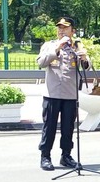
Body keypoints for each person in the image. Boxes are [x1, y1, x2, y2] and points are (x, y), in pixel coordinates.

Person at [37, 17, 89, 171]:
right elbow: (41, 63)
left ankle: (66, 156)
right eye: (59, 27)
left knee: (68, 128)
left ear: (73, 31)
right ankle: (45, 156)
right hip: (52, 94)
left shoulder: (77, 46)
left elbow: (86, 67)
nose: (61, 30)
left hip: (70, 94)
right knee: (49, 127)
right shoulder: (50, 45)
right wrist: (56, 48)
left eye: (65, 28)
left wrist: (85, 58)